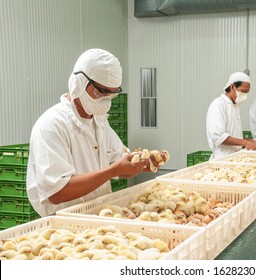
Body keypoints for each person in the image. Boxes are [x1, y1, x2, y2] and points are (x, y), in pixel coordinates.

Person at [27, 48, 166, 217]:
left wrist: (140, 163)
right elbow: (56, 192)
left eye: (111, 94)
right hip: (63, 223)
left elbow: (119, 161)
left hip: (99, 215)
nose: (105, 100)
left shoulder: (99, 121)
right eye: (100, 92)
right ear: (79, 82)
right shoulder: (52, 125)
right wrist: (112, 171)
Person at [206, 72, 256, 160]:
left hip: (235, 156)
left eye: (247, 92)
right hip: (222, 158)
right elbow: (218, 136)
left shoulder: (234, 106)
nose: (245, 96)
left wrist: (250, 141)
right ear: (232, 87)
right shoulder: (218, 104)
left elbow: (232, 134)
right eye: (243, 91)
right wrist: (245, 143)